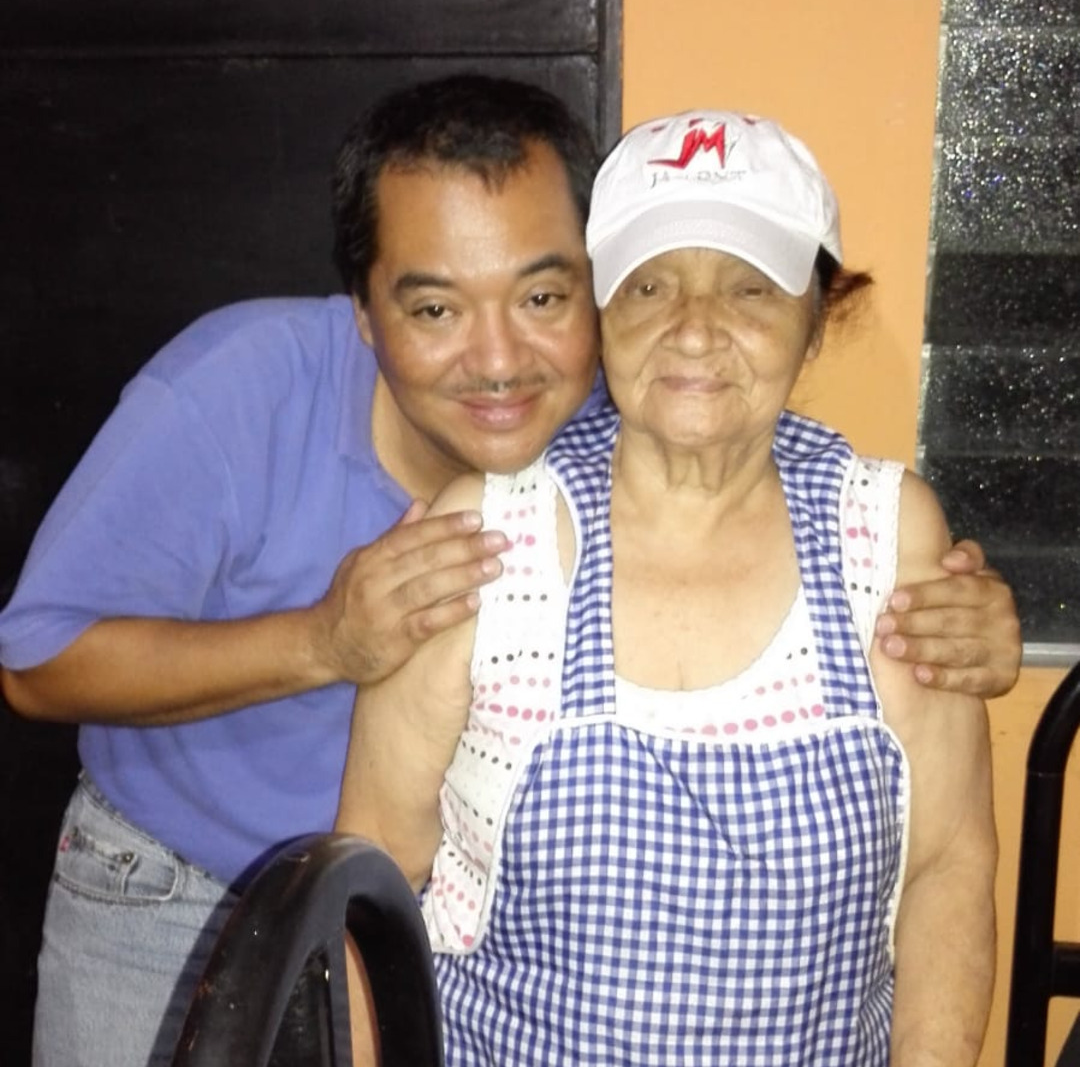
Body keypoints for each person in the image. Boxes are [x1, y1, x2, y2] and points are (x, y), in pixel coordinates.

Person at [0, 76, 1013, 1066]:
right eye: (436, 309)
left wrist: (974, 615)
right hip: (183, 889)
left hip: (406, 922)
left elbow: (943, 853)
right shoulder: (245, 393)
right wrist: (324, 641)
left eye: (539, 296)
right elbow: (35, 662)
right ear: (364, 313)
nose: (497, 360)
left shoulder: (686, 418)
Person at [336, 109, 999, 1065]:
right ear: (601, 314)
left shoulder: (887, 536)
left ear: (817, 320)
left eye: (750, 288)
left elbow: (947, 868)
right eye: (649, 286)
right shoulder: (487, 538)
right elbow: (374, 877)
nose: (695, 329)